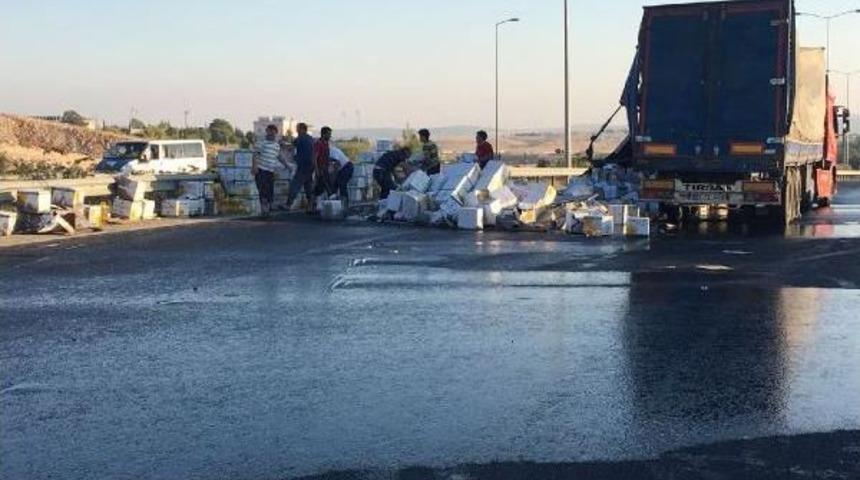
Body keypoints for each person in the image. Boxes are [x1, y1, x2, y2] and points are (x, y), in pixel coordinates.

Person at [253, 124, 283, 215]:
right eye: (271, 132)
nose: (272, 135)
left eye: (274, 133)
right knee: (263, 189)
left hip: (271, 171)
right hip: (262, 169)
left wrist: (287, 165)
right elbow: (255, 155)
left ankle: (268, 207)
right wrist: (254, 166)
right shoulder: (261, 143)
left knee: (270, 189)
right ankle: (264, 209)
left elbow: (279, 156)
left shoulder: (276, 145)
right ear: (267, 131)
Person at [286, 122, 316, 211]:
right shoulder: (311, 139)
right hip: (311, 166)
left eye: (298, 128)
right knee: (308, 186)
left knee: (295, 185)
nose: (296, 130)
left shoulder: (300, 138)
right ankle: (312, 205)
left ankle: (288, 204)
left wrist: (283, 145)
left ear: (302, 129)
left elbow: (291, 147)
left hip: (303, 166)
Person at [314, 126, 333, 199]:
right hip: (321, 169)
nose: (330, 136)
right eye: (328, 134)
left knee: (321, 188)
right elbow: (314, 158)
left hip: (325, 169)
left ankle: (315, 204)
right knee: (325, 187)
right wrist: (317, 171)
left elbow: (326, 156)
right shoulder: (318, 144)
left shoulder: (326, 144)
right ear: (324, 134)